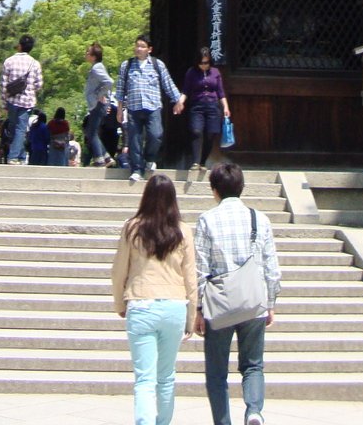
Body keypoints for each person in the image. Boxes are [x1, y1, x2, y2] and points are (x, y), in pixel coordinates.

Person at [195, 162, 281, 425]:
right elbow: (271, 266)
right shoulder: (260, 219)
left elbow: (200, 268)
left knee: (217, 372)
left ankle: (223, 422)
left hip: (219, 303)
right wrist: (270, 302)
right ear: (242, 188)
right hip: (253, 300)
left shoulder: (207, 220)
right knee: (253, 364)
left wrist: (199, 309)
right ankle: (253, 411)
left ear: (214, 190)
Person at [110, 173, 197, 425]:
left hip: (141, 302)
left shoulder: (133, 227)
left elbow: (118, 270)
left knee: (145, 379)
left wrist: (119, 303)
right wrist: (191, 317)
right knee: (166, 376)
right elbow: (190, 276)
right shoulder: (182, 230)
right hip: (174, 305)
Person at [116, 34, 185, 183]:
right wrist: (119, 110)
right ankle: (136, 169)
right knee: (134, 140)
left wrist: (178, 100)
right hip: (134, 107)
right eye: (137, 46)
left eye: (142, 46)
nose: (138, 49)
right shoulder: (126, 66)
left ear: (149, 49)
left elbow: (168, 83)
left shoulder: (157, 64)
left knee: (156, 134)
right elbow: (120, 89)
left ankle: (150, 158)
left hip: (153, 106)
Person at [182, 47, 231, 178]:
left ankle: (203, 161)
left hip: (213, 105)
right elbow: (186, 90)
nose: (204, 65)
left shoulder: (215, 72)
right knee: (196, 131)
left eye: (206, 62)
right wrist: (180, 102)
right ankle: (195, 162)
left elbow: (221, 92)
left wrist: (225, 107)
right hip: (197, 105)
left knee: (211, 133)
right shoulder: (191, 72)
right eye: (201, 63)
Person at [2, 33, 43, 164]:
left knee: (14, 128)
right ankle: (16, 156)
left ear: (19, 46)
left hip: (12, 101)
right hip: (27, 102)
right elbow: (39, 84)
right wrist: (31, 89)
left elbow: (3, 84)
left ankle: (15, 156)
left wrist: (4, 102)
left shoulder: (8, 61)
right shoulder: (35, 64)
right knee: (21, 128)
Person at [84, 41, 116, 166]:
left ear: (93, 56)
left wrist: (99, 95)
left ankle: (99, 159)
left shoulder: (97, 68)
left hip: (98, 104)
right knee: (92, 131)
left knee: (91, 132)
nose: (86, 54)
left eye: (88, 52)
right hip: (97, 104)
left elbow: (109, 82)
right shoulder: (96, 67)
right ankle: (106, 157)